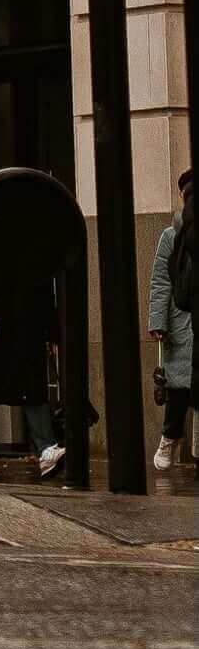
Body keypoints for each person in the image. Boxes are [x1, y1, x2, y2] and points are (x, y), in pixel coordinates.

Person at [151, 168, 194, 480]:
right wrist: (158, 321)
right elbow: (161, 282)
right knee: (178, 389)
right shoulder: (171, 236)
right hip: (181, 321)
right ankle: (169, 438)